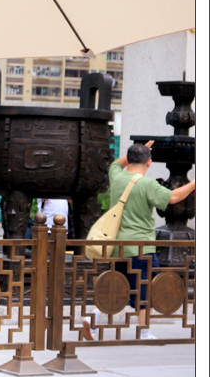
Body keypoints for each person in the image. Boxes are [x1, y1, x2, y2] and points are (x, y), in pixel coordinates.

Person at [83, 141, 195, 341]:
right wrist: (195, 182)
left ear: (129, 159)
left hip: (117, 248)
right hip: (141, 248)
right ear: (149, 163)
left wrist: (139, 149)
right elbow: (173, 197)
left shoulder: (116, 176)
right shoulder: (147, 184)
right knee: (147, 289)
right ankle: (144, 332)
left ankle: (93, 316)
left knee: (117, 286)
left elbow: (116, 163)